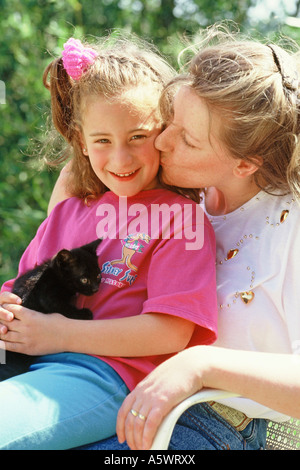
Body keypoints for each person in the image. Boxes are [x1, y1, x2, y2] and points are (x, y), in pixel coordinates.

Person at [70, 26, 300, 450]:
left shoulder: (291, 229)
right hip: (113, 389)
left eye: (187, 140)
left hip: (213, 426)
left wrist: (201, 363)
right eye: (169, 120)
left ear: (246, 164)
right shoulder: (173, 191)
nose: (161, 140)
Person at [0, 36, 218, 449]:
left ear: (165, 133)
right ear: (81, 141)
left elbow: (170, 334)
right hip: (27, 362)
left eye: (138, 136)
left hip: (104, 375)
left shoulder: (180, 218)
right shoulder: (68, 212)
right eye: (103, 141)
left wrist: (58, 335)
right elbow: (20, 290)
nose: (121, 159)